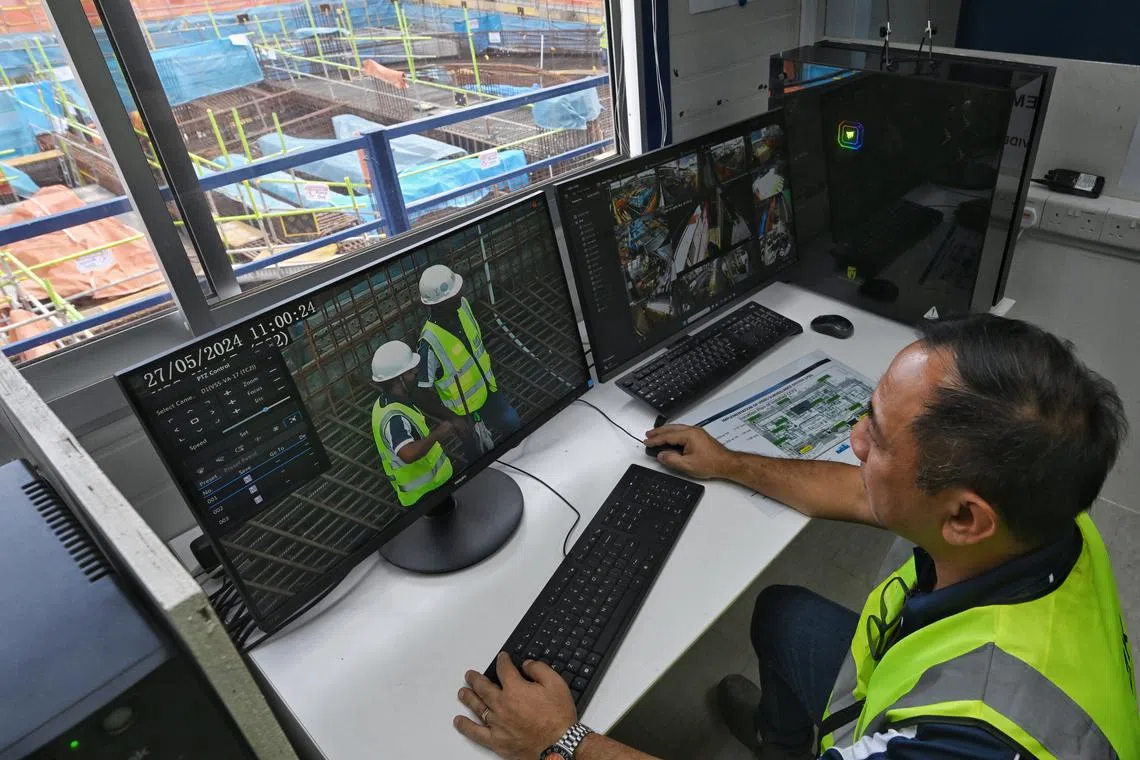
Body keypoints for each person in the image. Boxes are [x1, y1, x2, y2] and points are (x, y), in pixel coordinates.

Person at [452, 315, 1139, 760]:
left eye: (877, 438)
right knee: (783, 615)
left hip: (943, 729)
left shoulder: (968, 741)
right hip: (902, 681)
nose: (853, 441)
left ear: (963, 517)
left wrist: (560, 740)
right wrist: (729, 463)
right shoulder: (1038, 508)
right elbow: (866, 493)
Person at [415, 264, 521, 462]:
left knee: (513, 427)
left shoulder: (462, 305)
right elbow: (420, 393)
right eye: (453, 294)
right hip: (464, 413)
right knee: (478, 458)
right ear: (438, 304)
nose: (459, 294)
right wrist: (452, 418)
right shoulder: (429, 343)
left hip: (489, 391)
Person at [369, 340, 454, 508]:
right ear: (397, 380)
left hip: (431, 490)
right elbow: (407, 454)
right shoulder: (394, 417)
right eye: (410, 372)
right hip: (426, 496)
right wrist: (439, 433)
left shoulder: (386, 403)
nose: (416, 372)